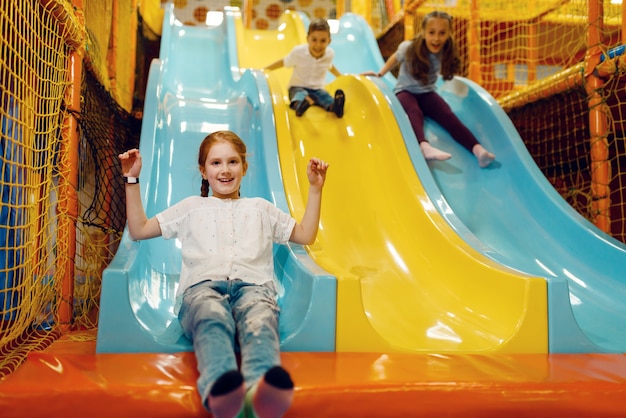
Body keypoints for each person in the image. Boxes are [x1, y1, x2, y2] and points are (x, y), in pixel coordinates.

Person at [118, 130, 330, 418]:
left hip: (254, 287)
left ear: (244, 167)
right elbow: (140, 229)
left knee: (260, 316)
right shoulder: (191, 207)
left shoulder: (261, 209)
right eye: (216, 163)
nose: (225, 169)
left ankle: (260, 392)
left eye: (232, 162)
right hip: (201, 289)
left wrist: (315, 189)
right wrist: (132, 179)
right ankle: (222, 390)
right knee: (211, 315)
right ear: (203, 171)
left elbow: (305, 235)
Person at [364, 11, 496, 168]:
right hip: (405, 91)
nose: (436, 38)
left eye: (442, 33)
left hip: (427, 92)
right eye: (431, 32)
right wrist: (380, 73)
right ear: (424, 32)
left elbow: (450, 70)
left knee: (448, 115)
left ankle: (478, 150)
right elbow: (395, 58)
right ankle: (424, 146)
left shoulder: (446, 50)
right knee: (414, 112)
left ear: (449, 34)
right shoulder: (409, 47)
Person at [265, 18, 345, 118]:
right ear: (307, 39)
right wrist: (265, 69)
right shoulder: (298, 52)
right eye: (314, 40)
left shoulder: (329, 54)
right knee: (299, 95)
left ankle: (335, 107)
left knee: (325, 97)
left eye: (323, 41)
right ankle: (300, 106)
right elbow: (283, 62)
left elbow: (330, 66)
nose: (318, 45)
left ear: (329, 41)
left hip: (317, 89)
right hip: (297, 86)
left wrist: (340, 76)